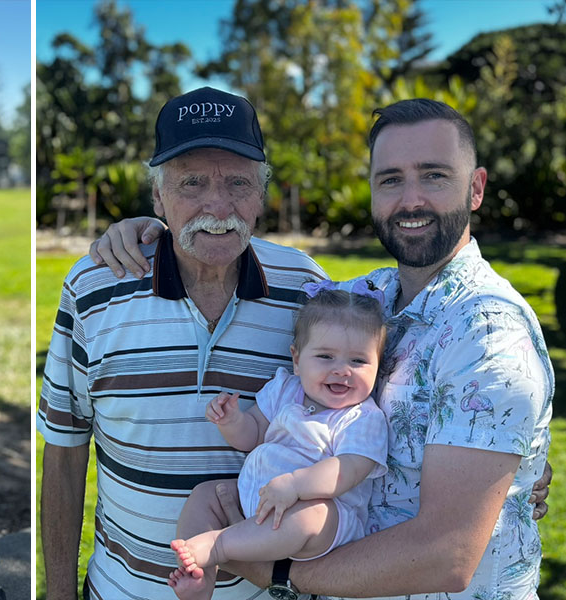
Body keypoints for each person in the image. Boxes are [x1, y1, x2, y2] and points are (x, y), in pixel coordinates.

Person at [90, 99, 554, 600]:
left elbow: (448, 554)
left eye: (435, 175)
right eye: (391, 179)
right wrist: (155, 233)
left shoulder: (489, 337)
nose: (411, 199)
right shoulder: (365, 298)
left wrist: (280, 574)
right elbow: (212, 232)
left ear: (476, 187)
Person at [38, 86, 328, 600]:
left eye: (238, 182)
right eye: (191, 182)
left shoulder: (306, 290)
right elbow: (64, 449)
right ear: (158, 196)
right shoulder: (94, 287)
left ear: (261, 195)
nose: (217, 205)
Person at [169, 281, 389, 600]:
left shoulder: (362, 418)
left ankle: (218, 545)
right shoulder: (285, 390)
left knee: (311, 516)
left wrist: (296, 486)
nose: (342, 371)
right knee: (206, 495)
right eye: (326, 357)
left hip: (322, 522)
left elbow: (349, 469)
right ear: (297, 360)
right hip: (259, 497)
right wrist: (232, 421)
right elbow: (253, 434)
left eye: (358, 361)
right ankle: (200, 580)